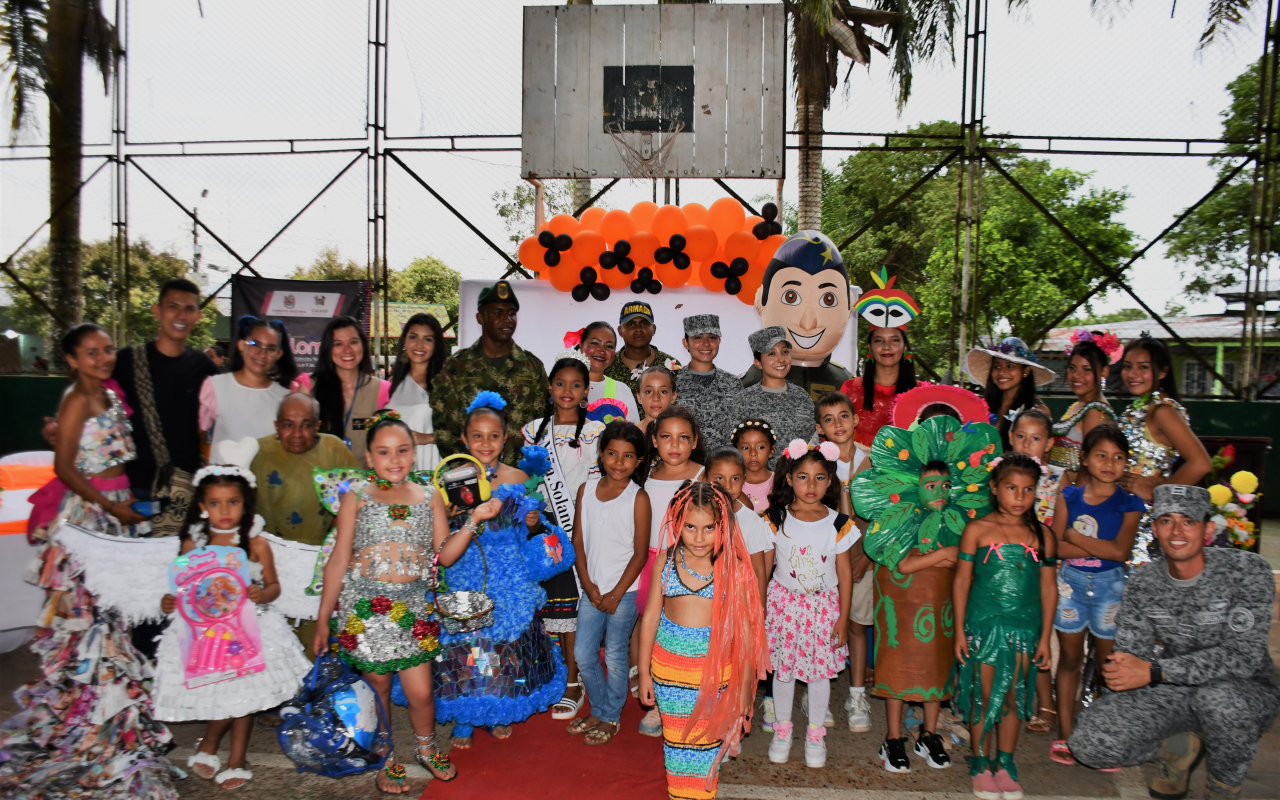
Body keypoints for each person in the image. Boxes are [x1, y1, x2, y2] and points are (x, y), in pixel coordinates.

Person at [0, 324, 175, 798]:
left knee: (114, 624)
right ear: (72, 359)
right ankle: (88, 726)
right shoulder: (76, 398)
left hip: (118, 510)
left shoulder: (111, 392)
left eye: (106, 350)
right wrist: (108, 505)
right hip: (92, 519)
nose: (102, 358)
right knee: (92, 627)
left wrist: (123, 505)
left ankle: (109, 720)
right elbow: (63, 467)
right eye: (91, 352)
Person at [315, 410, 498, 793]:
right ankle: (387, 759)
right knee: (377, 687)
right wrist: (322, 620)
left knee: (420, 692)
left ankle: (427, 749)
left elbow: (444, 556)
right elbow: (337, 561)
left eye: (402, 450)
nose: (394, 459)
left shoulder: (429, 496)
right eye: (383, 452)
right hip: (363, 613)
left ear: (414, 454)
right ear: (369, 458)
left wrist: (472, 520)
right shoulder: (356, 498)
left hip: (413, 612)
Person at [1068, 484, 1279, 800]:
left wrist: (1154, 672)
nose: (1177, 531)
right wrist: (1122, 676)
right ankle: (1180, 741)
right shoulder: (1144, 582)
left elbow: (1241, 657)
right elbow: (1130, 657)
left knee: (1219, 702)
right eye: (1167, 520)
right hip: (1174, 692)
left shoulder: (1246, 571)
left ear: (1207, 529)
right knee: (1089, 742)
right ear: (1154, 529)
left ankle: (1224, 785)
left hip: (1243, 691)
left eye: (1189, 521)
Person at [852, 413, 1003, 773]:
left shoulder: (959, 522)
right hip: (901, 610)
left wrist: (941, 557)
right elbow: (901, 564)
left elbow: (962, 562)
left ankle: (929, 734)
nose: (940, 493)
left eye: (946, 486)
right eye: (931, 486)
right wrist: (944, 556)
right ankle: (892, 738)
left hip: (940, 611)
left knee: (936, 668)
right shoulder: (900, 521)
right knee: (897, 670)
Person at [429, 393, 574, 750]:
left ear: (506, 437)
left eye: (493, 435)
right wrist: (448, 514)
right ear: (464, 439)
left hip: (508, 571)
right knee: (466, 643)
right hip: (467, 568)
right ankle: (463, 717)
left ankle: (497, 711)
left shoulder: (519, 476)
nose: (485, 443)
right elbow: (441, 534)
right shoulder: (452, 478)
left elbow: (529, 530)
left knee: (503, 647)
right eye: (476, 436)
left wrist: (531, 520)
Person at [154, 467, 310, 790]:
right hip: (205, 632)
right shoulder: (192, 542)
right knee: (221, 691)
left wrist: (261, 593)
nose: (224, 511)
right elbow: (181, 588)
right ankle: (210, 742)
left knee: (246, 694)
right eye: (215, 503)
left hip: (249, 627)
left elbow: (274, 586)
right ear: (201, 505)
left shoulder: (255, 543)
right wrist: (169, 601)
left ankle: (236, 756)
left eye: (233, 502)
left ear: (245, 503)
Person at [638, 482, 768, 800]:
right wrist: (643, 671)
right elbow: (651, 617)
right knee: (676, 745)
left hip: (714, 675)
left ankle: (702, 795)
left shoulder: (733, 568)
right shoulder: (666, 562)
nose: (699, 538)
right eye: (690, 527)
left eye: (709, 528)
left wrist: (742, 689)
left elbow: (746, 633)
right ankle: (678, 794)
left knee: (707, 748)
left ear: (723, 525)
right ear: (677, 524)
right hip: (669, 672)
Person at [953, 452, 1057, 800]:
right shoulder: (977, 530)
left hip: (1024, 631)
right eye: (1012, 488)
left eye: (1028, 490)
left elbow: (1047, 588)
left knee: (1013, 697)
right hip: (983, 627)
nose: (1020, 497)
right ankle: (981, 761)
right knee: (984, 699)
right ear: (995, 488)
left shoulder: (1042, 535)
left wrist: (1044, 637)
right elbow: (962, 583)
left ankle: (1006, 763)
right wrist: (958, 631)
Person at [520, 351, 608, 722]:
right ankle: (551, 672)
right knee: (547, 609)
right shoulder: (531, 430)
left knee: (570, 608)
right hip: (542, 530)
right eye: (560, 383)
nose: (567, 390)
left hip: (579, 528)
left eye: (576, 384)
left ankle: (574, 680)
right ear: (549, 387)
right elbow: (527, 480)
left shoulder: (595, 433)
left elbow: (597, 482)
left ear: (587, 390)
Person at [1050, 423, 1144, 765]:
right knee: (1071, 660)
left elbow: (1120, 552)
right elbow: (1054, 546)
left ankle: (1106, 737)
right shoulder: (1069, 497)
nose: (1110, 463)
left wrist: (1075, 536)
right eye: (1101, 455)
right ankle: (1065, 732)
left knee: (1109, 666)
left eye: (1118, 457)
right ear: (1085, 459)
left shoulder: (1130, 503)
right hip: (1070, 587)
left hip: (1111, 589)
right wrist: (1081, 545)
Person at [763, 441, 854, 769]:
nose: (811, 485)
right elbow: (765, 566)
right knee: (784, 672)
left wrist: (843, 618)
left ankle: (816, 733)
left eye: (819, 477)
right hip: (784, 607)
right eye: (803, 476)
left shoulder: (838, 522)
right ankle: (782, 730)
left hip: (824, 609)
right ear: (789, 479)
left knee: (819, 675)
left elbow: (844, 571)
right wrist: (760, 608)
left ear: (829, 481)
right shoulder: (776, 518)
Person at [250, 393, 358, 652]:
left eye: (306, 425)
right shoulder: (257, 453)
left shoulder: (334, 450)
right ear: (277, 426)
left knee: (317, 645)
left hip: (321, 564)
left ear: (318, 426)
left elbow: (359, 498)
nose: (297, 433)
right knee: (273, 646)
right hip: (268, 563)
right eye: (288, 425)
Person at [568, 421, 651, 745]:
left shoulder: (638, 497)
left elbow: (640, 553)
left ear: (639, 460)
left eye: (628, 456)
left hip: (624, 594)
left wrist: (616, 594)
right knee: (584, 654)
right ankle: (598, 708)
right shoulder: (586, 490)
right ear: (601, 454)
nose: (619, 462)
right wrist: (589, 586)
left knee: (616, 655)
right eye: (612, 453)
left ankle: (611, 716)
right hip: (592, 590)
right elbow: (578, 540)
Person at [112, 278, 221, 521]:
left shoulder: (204, 367)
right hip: (136, 491)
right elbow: (90, 402)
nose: (181, 315)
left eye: (189, 309)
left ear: (198, 316)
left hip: (187, 491)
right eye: (173, 306)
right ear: (157, 311)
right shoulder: (126, 361)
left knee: (183, 560)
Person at [636, 404, 707, 737]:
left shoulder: (701, 475)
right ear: (653, 440)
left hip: (686, 562)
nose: (674, 445)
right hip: (650, 559)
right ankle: (656, 702)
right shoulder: (645, 474)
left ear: (694, 442)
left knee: (677, 633)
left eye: (683, 438)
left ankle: (687, 695)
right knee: (649, 625)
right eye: (666, 437)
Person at [1115, 335, 1211, 562]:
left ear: (1163, 372)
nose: (1133, 374)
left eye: (1143, 367)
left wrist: (1160, 493)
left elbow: (1201, 463)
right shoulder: (1140, 407)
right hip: (1128, 514)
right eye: (1128, 367)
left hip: (1146, 522)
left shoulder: (1162, 411)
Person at [432, 280, 548, 463]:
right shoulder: (456, 367)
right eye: (497, 312)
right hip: (471, 480)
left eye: (511, 313)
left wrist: (525, 474)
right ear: (480, 318)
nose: (507, 320)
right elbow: (444, 429)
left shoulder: (532, 367)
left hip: (519, 481)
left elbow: (542, 426)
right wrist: (466, 473)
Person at [812, 391, 874, 732]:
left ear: (856, 420)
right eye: (829, 419)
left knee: (856, 625)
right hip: (824, 560)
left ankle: (856, 693)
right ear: (820, 427)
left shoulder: (873, 461)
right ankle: (814, 690)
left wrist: (866, 557)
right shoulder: (817, 463)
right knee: (821, 625)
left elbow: (883, 517)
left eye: (844, 416)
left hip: (861, 558)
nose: (838, 424)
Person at [743, 231, 862, 398]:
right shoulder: (755, 380)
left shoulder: (845, 383)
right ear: (761, 299)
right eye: (790, 297)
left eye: (828, 299)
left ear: (848, 306)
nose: (808, 323)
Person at [1005, 407, 1065, 736]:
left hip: (1042, 568)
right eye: (1021, 437)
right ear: (1010, 437)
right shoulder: (998, 473)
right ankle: (1007, 698)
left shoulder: (1057, 478)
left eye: (1036, 439)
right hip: (1004, 570)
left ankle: (1046, 703)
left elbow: (1063, 532)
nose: (1027, 445)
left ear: (1049, 443)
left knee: (1041, 638)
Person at [297, 316, 390, 464]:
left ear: (363, 346)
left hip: (365, 483)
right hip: (319, 481)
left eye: (353, 342)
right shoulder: (309, 387)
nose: (347, 350)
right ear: (328, 349)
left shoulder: (381, 390)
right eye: (338, 344)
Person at [200, 316, 295, 456]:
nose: (262, 354)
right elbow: (199, 434)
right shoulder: (215, 386)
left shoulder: (285, 397)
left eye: (271, 348)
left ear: (278, 354)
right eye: (255, 343)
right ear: (242, 345)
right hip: (223, 477)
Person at [734, 326, 817, 466]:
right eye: (772, 354)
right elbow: (734, 448)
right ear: (758, 363)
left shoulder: (802, 397)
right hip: (757, 483)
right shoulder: (744, 400)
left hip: (797, 482)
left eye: (785, 352)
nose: (781, 359)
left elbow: (813, 442)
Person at [704, 446, 775, 601]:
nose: (727, 486)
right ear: (705, 478)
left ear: (744, 479)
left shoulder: (751, 520)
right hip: (702, 599)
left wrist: (760, 612)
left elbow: (758, 570)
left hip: (737, 599)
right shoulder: (698, 516)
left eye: (735, 479)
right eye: (719, 479)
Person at [1050, 331, 1119, 480]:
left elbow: (1090, 468)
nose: (1076, 375)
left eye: (1087, 369)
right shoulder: (1078, 405)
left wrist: (1077, 500)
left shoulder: (1096, 411)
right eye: (1072, 368)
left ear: (1104, 372)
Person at [840, 325, 923, 450]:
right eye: (879, 340)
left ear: (905, 346)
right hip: (856, 468)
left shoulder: (923, 393)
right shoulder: (851, 388)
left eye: (894, 340)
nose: (886, 347)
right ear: (870, 347)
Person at [965, 337, 1054, 448]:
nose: (1002, 372)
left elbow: (1042, 459)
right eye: (997, 366)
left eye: (1010, 366)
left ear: (1026, 371)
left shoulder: (1038, 410)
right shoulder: (984, 406)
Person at [674, 314, 745, 451]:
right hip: (685, 466)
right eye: (698, 338)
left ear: (719, 341)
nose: (706, 343)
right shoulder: (673, 382)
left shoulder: (733, 383)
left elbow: (742, 431)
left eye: (712, 337)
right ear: (685, 342)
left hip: (725, 466)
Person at [385, 312, 446, 471]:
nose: (419, 345)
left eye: (427, 339)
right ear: (405, 340)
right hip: (396, 468)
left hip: (431, 466)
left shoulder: (445, 384)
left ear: (436, 345)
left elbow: (463, 431)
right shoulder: (391, 384)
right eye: (413, 337)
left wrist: (427, 438)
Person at [603, 300, 682, 411]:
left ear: (653, 329)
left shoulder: (671, 366)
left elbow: (680, 408)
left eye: (644, 323)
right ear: (620, 331)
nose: (638, 329)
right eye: (631, 324)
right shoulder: (606, 366)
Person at [573, 321, 639, 423]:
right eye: (595, 343)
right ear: (581, 345)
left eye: (609, 346)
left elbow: (634, 435)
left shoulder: (622, 390)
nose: (602, 350)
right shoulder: (563, 385)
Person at [733, 418, 776, 513]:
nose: (753, 453)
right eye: (745, 447)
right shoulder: (731, 484)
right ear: (736, 452)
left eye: (760, 447)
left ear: (771, 451)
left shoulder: (781, 482)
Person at [637, 364, 677, 434]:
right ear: (639, 397)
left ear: (673, 396)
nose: (656, 398)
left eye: (663, 391)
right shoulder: (628, 435)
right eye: (648, 391)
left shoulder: (682, 433)